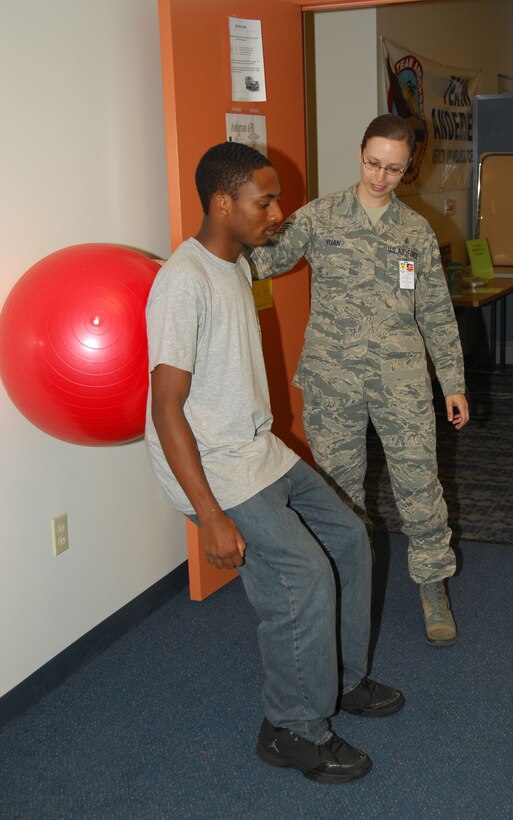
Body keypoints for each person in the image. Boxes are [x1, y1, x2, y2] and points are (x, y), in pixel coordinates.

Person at [145, 141, 404, 785]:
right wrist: (207, 515)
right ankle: (292, 727)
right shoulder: (183, 282)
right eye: (266, 201)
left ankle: (338, 682)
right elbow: (166, 408)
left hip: (256, 447)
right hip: (216, 465)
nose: (279, 212)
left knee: (349, 538)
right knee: (302, 575)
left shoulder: (235, 263)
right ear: (221, 202)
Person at [251, 115, 469, 648]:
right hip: (333, 380)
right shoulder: (321, 216)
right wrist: (220, 242)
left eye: (394, 169)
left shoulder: (415, 231)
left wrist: (453, 382)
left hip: (402, 381)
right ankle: (344, 584)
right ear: (360, 154)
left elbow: (436, 312)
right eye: (374, 163)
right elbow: (265, 260)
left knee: (418, 485)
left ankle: (432, 585)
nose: (381, 177)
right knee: (338, 492)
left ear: (408, 168)